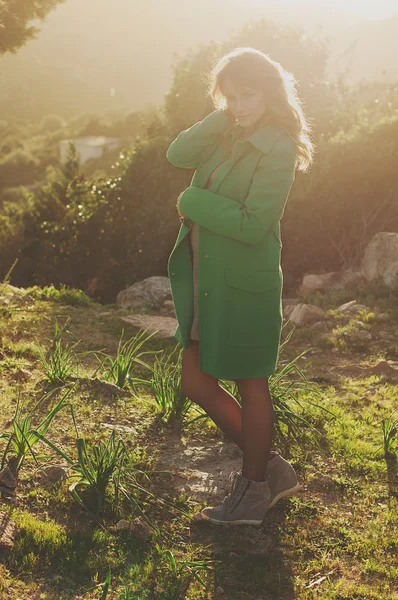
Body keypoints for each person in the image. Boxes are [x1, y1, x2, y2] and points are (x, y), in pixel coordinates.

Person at [166, 47, 314, 526]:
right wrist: (224, 113)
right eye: (230, 96)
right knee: (195, 382)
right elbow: (177, 153)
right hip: (207, 280)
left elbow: (253, 224)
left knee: (252, 384)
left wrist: (193, 200)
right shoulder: (227, 128)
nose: (240, 104)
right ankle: (268, 466)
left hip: (245, 283)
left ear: (270, 91)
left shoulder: (279, 147)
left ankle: (253, 489)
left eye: (248, 94)